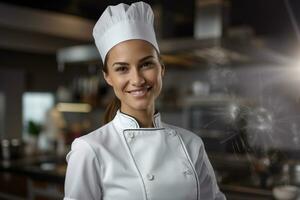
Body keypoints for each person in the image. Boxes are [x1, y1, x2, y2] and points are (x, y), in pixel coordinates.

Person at [64, 2, 226, 200]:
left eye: (146, 64)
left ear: (161, 68)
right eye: (122, 68)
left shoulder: (192, 144)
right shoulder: (89, 150)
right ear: (108, 77)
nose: (137, 80)